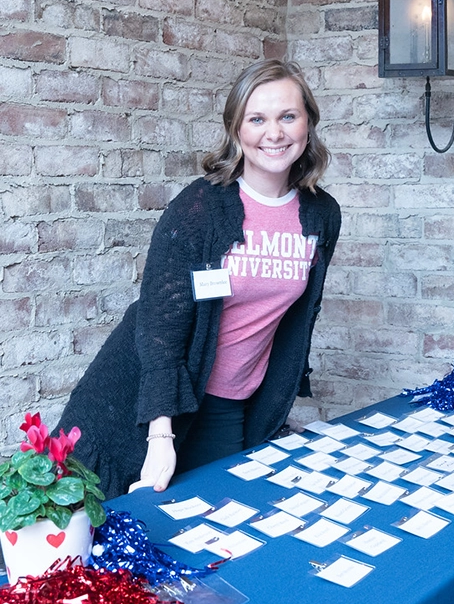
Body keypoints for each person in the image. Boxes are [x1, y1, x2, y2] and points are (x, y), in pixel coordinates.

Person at [58, 59, 341, 500]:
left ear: (308, 123)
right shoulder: (200, 208)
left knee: (213, 526)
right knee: (93, 536)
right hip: (142, 399)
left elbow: (300, 316)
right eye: (257, 119)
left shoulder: (322, 214)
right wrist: (160, 436)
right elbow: (159, 328)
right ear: (237, 129)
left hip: (227, 402)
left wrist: (282, 395)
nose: (275, 133)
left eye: (288, 116)